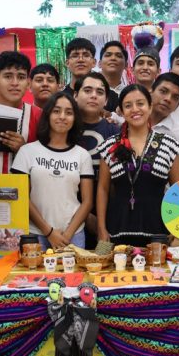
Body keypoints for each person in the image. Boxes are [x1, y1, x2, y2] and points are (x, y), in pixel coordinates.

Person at [95, 85, 179, 247]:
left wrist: (177, 229)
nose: (135, 109)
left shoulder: (169, 146)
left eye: (140, 104)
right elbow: (103, 189)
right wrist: (101, 228)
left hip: (158, 234)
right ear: (121, 111)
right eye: (128, 106)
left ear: (150, 107)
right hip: (117, 230)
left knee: (157, 272)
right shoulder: (109, 147)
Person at [12, 92, 94, 250]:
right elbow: (21, 197)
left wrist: (67, 235)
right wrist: (49, 232)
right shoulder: (27, 151)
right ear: (48, 115)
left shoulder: (82, 155)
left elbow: (87, 201)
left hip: (73, 235)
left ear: (75, 118)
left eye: (69, 112)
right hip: (35, 234)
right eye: (56, 111)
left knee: (75, 276)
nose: (62, 117)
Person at [74, 72, 120, 248]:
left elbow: (116, 181)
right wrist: (85, 214)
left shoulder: (115, 132)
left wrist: (101, 221)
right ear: (75, 95)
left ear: (106, 100)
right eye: (87, 90)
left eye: (100, 92)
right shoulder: (64, 129)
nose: (94, 95)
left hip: (107, 218)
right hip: (67, 214)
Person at [148, 73, 179, 148]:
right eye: (163, 91)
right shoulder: (133, 118)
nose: (168, 99)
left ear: (178, 104)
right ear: (151, 92)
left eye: (175, 97)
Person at [99, 40, 128, 110]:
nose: (113, 58)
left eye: (118, 56)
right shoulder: (90, 90)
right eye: (108, 55)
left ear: (126, 65)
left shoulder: (130, 93)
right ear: (99, 63)